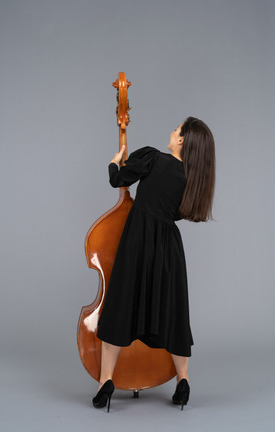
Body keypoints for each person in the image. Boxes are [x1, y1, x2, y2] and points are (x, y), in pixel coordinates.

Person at [92, 117, 216, 412]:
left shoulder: (153, 158)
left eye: (177, 129)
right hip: (170, 248)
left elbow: (118, 180)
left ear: (182, 140)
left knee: (121, 305)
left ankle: (105, 381)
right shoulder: (193, 179)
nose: (172, 132)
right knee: (173, 311)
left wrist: (115, 161)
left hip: (138, 242)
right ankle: (183, 382)